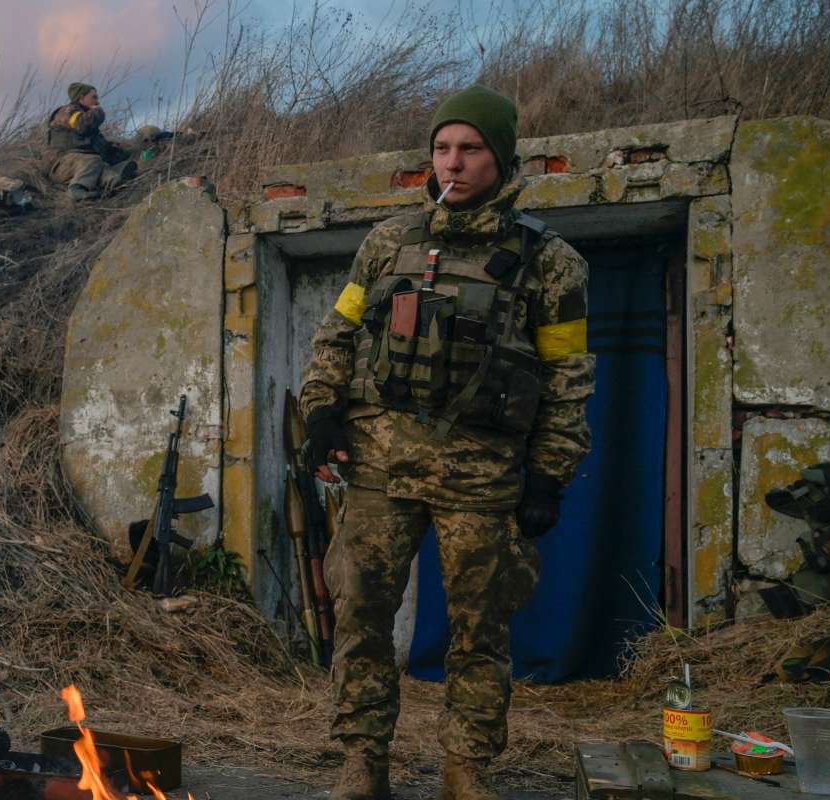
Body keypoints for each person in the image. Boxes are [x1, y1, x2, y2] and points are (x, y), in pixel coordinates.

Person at [298, 85, 595, 800]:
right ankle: (362, 762)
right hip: (380, 466)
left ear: (500, 158)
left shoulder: (550, 262)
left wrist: (550, 473)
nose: (452, 164)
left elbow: (569, 376)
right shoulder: (387, 243)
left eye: (470, 149)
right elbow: (338, 336)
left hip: (481, 474)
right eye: (441, 149)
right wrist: (321, 416)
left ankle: (466, 769)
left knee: (480, 630)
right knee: (362, 617)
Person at [44, 82, 136, 200]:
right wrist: (98, 111)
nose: (97, 102)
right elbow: (81, 125)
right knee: (93, 160)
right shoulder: (67, 111)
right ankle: (76, 189)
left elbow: (102, 147)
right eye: (94, 97)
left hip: (82, 165)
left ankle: (113, 183)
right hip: (61, 164)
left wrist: (120, 151)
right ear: (81, 97)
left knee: (106, 170)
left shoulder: (90, 122)